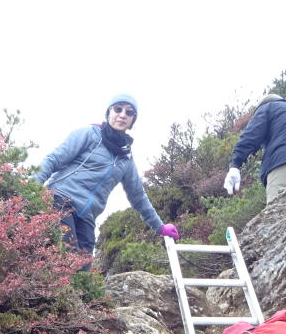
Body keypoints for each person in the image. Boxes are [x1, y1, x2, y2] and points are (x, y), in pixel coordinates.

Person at [34, 93, 179, 261]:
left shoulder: (126, 159)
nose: (123, 115)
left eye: (129, 112)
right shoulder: (89, 134)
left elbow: (138, 197)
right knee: (66, 255)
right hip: (61, 199)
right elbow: (53, 160)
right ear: (109, 112)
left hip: (87, 216)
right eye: (118, 109)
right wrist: (31, 188)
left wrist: (160, 227)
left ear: (133, 120)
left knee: (83, 266)